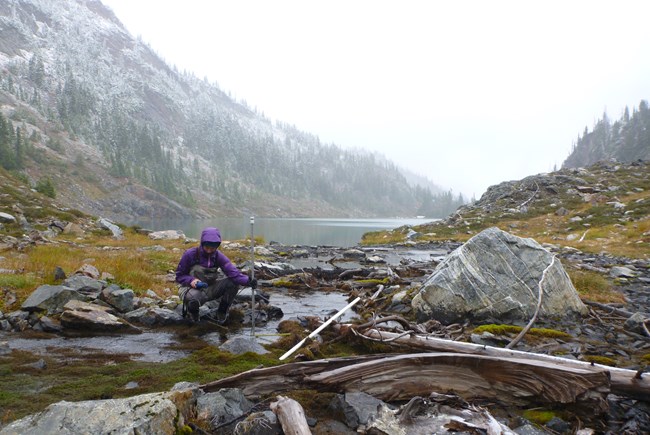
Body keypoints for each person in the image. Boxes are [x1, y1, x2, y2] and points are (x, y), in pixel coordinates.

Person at [176, 227, 257, 324]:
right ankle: (194, 315)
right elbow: (179, 276)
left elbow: (233, 273)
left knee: (233, 283)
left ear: (217, 246)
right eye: (207, 247)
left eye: (213, 248)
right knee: (194, 300)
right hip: (189, 289)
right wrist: (192, 281)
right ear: (202, 243)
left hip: (209, 289)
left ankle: (222, 311)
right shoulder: (190, 254)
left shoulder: (219, 256)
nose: (209, 251)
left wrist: (248, 281)